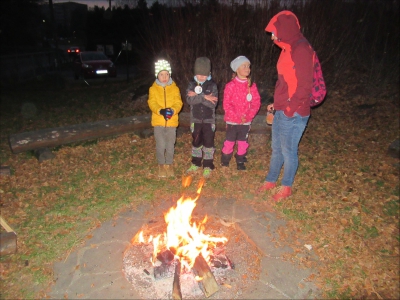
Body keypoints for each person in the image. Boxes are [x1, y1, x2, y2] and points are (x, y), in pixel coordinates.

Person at [258, 11, 314, 201]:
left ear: (284, 29)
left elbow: (305, 85)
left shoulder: (301, 49)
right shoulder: (286, 49)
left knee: (288, 151)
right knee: (276, 148)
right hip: (283, 108)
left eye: (273, 32)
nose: (272, 36)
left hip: (295, 111)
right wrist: (278, 103)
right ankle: (271, 180)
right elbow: (285, 82)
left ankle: (286, 186)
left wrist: (290, 108)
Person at [221, 56, 261, 170]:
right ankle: (225, 160)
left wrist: (248, 116)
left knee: (243, 142)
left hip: (246, 121)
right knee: (230, 141)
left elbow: (256, 102)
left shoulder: (251, 86)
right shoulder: (230, 86)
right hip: (232, 121)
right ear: (237, 69)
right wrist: (238, 117)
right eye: (244, 66)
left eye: (248, 66)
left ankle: (240, 160)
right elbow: (227, 105)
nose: (247, 68)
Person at [148, 59, 183, 178]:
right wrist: (160, 110)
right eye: (162, 74)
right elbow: (151, 102)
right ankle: (161, 164)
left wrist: (173, 110)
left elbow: (179, 102)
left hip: (172, 122)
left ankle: (169, 164)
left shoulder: (175, 88)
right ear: (157, 75)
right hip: (158, 121)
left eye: (167, 74)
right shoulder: (153, 89)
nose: (164, 77)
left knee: (170, 144)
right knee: (161, 144)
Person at [186, 57, 219, 177]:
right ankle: (196, 163)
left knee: (208, 144)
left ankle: (208, 165)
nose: (201, 77)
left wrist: (199, 95)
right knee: (196, 142)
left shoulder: (212, 85)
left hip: (209, 120)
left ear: (209, 73)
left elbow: (213, 103)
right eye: (199, 74)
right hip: (195, 120)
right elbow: (190, 100)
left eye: (204, 74)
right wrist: (205, 96)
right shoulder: (191, 84)